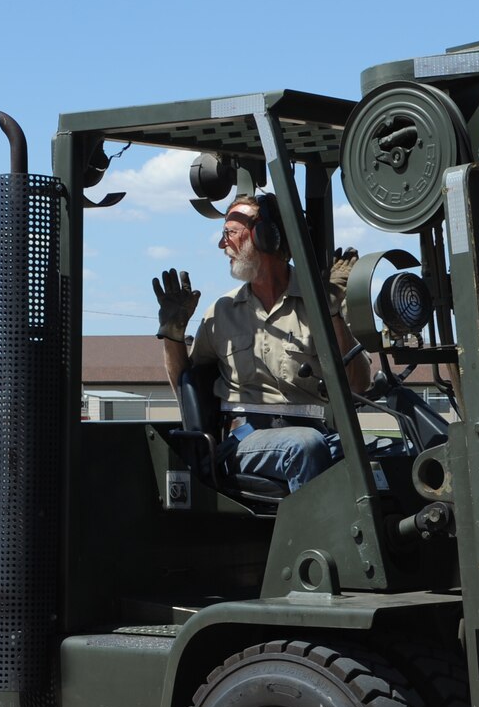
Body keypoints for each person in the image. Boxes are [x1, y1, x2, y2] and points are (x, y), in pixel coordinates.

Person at [152, 194, 370, 490]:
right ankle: (313, 537)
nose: (222, 245)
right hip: (245, 441)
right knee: (304, 447)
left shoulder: (321, 305)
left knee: (386, 450)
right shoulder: (221, 312)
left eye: (229, 233)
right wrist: (172, 335)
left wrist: (331, 311)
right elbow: (185, 385)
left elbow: (357, 386)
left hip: (316, 435)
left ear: (265, 236)